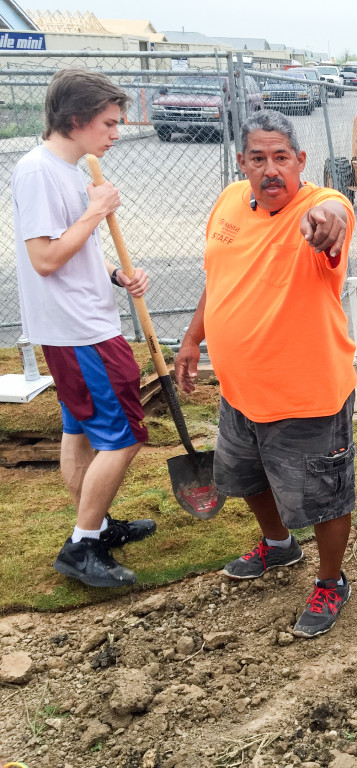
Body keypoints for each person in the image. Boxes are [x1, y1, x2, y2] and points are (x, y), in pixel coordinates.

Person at [174, 110, 357, 637]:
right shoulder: (230, 201)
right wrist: (192, 338)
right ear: (242, 163)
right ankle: (279, 546)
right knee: (246, 478)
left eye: (282, 158)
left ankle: (330, 581)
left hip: (307, 395)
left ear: (301, 162)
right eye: (259, 159)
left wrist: (325, 226)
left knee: (324, 498)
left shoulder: (322, 206)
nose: (271, 170)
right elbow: (218, 275)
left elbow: (333, 218)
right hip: (239, 390)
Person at [12, 68, 156, 589]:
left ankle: (92, 526)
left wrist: (117, 276)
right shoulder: (38, 172)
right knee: (123, 437)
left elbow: (73, 253)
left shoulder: (68, 168)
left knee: (80, 429)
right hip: (81, 332)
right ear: (76, 121)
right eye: (109, 123)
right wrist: (96, 213)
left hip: (81, 322)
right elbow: (45, 258)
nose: (117, 132)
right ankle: (82, 546)